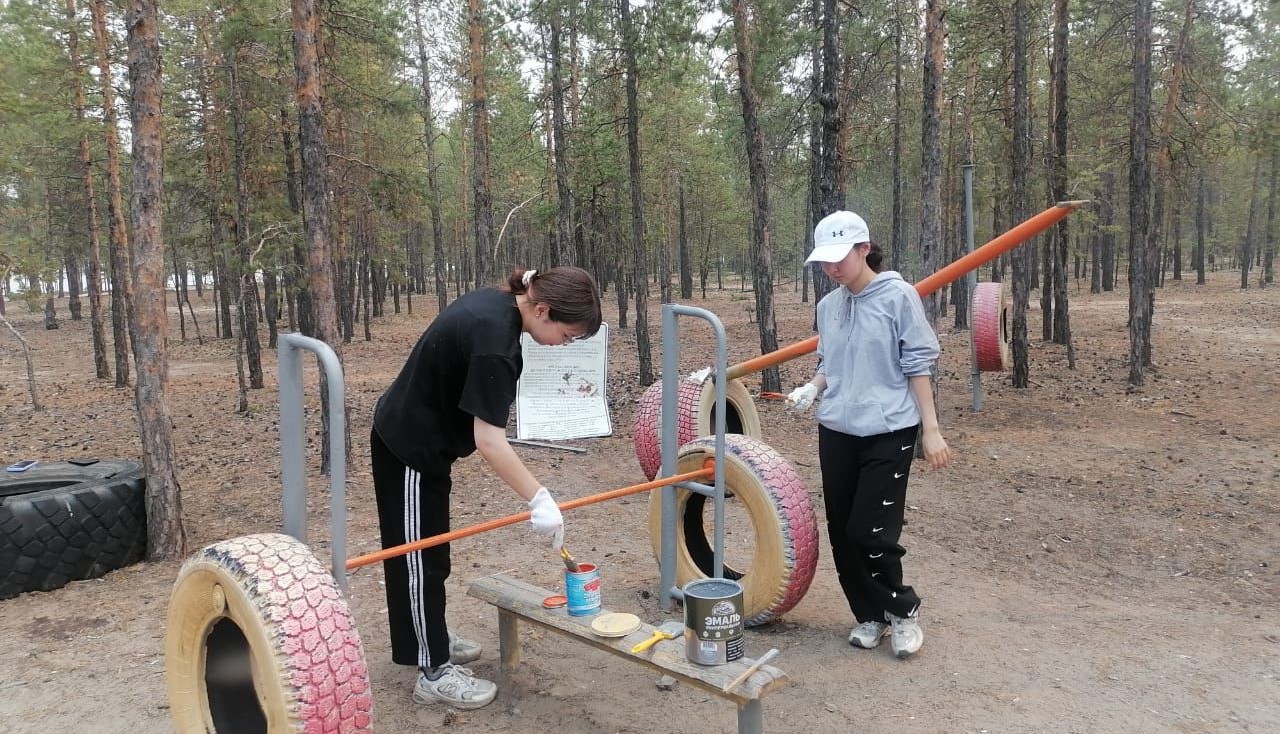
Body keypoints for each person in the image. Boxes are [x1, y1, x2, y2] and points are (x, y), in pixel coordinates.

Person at [371, 266, 603, 708]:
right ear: (543, 310)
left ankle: (426, 637)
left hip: (421, 438)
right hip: (410, 447)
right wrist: (539, 497)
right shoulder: (495, 345)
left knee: (427, 555)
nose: (564, 345)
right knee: (420, 559)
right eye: (568, 335)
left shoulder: (500, 306)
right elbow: (490, 440)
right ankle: (433, 670)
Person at [788, 210, 952, 659]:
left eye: (840, 258)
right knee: (842, 531)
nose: (832, 268)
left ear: (864, 249)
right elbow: (829, 363)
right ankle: (870, 614)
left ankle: (903, 611)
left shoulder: (898, 297)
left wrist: (931, 431)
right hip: (837, 428)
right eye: (824, 261)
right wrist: (812, 387)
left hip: (889, 429)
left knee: (870, 530)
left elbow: (917, 364)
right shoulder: (829, 306)